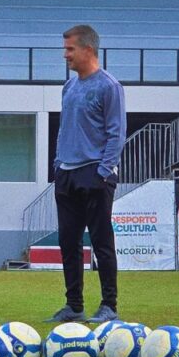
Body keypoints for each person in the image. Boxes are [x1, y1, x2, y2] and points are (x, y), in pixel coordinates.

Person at [47, 25, 126, 324]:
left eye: (70, 49)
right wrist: (58, 164)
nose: (65, 55)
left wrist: (103, 171)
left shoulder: (109, 86)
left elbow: (116, 133)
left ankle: (109, 306)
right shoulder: (69, 87)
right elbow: (65, 129)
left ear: (88, 50)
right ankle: (74, 305)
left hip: (94, 174)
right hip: (66, 174)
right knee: (68, 242)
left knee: (101, 242)